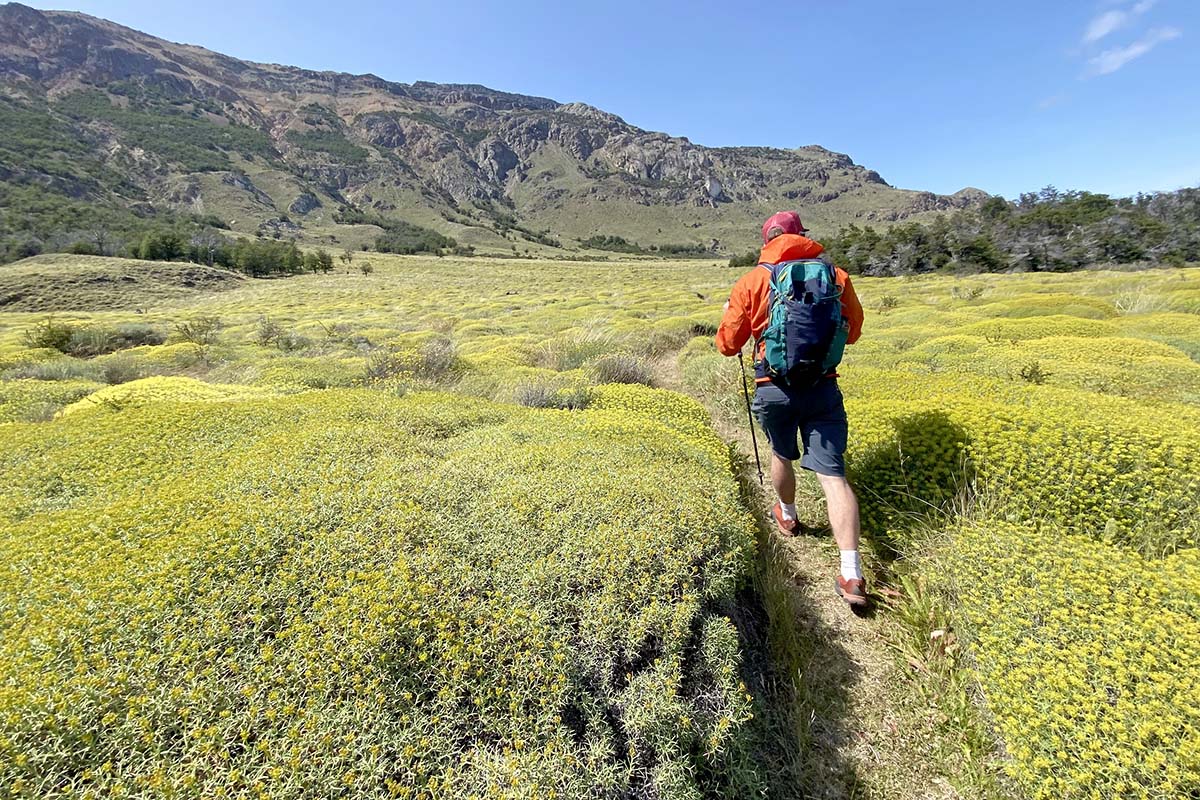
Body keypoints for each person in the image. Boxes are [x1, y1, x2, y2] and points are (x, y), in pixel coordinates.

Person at [715, 211, 867, 606]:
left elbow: (728, 344)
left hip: (773, 387)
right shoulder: (837, 276)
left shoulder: (752, 281)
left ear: (767, 241)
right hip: (823, 387)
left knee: (781, 453)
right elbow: (853, 333)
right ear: (802, 237)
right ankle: (851, 574)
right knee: (834, 477)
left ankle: (787, 514)